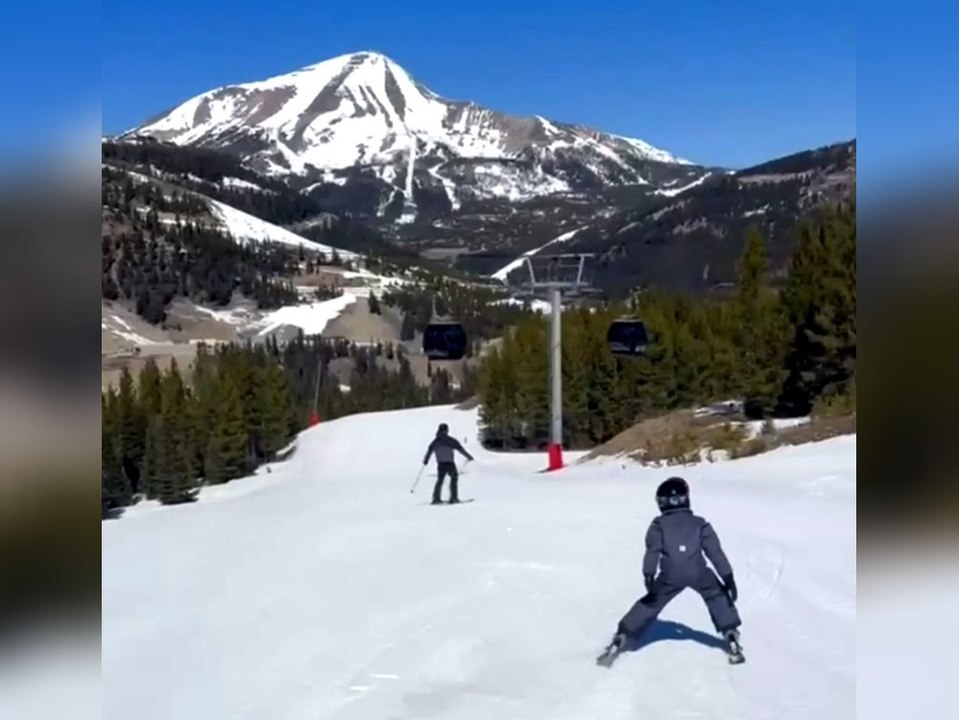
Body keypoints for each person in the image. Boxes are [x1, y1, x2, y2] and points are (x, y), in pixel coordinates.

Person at [606, 476, 742, 654]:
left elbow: (652, 550)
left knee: (651, 602)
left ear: (662, 503)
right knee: (716, 595)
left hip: (670, 576)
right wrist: (727, 577)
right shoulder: (700, 524)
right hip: (699, 572)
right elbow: (715, 552)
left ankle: (623, 634)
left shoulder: (658, 525)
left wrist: (649, 574)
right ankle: (730, 632)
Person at [422, 423, 473, 504]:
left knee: (440, 480)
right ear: (446, 430)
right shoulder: (450, 440)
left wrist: (426, 460)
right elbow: (461, 450)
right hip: (450, 463)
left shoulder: (435, 441)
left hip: (440, 464)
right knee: (454, 478)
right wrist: (469, 456)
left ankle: (436, 498)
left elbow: (429, 451)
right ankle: (453, 498)